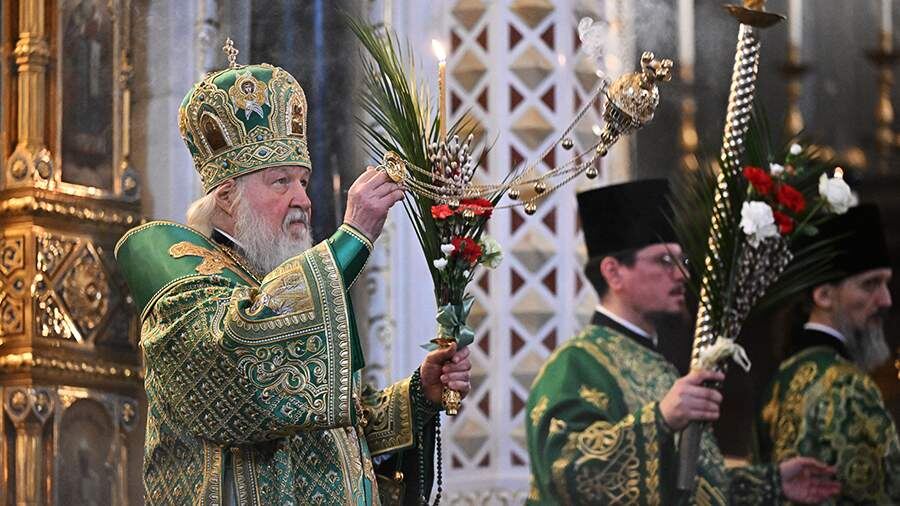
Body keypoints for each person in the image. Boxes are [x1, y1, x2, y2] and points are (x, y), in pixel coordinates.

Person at [116, 54, 471, 505]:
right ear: (226, 197)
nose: (303, 199)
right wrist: (353, 238)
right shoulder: (183, 292)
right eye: (281, 181)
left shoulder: (290, 290)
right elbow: (245, 362)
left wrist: (418, 394)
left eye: (303, 181)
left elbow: (341, 432)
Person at [525, 179, 840, 505]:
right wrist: (660, 419)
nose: (682, 275)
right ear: (614, 273)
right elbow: (563, 471)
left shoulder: (657, 364)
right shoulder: (576, 363)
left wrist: (771, 482)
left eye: (682, 262)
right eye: (664, 261)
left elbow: (681, 486)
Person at [755, 203, 900, 504]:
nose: (886, 300)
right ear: (823, 295)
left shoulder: (782, 378)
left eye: (886, 284)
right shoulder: (847, 384)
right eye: (870, 285)